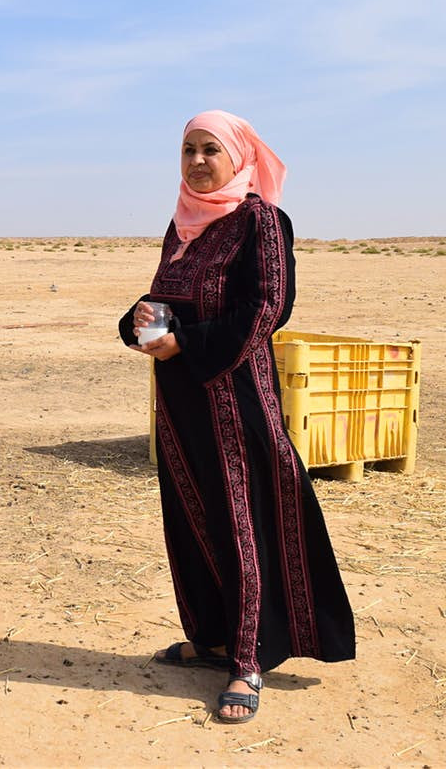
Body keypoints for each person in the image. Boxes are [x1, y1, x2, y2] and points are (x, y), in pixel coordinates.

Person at [118, 110, 355, 724]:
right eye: (188, 150)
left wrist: (187, 346)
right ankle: (214, 639)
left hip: (234, 402)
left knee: (242, 521)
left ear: (238, 158)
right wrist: (139, 323)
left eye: (210, 151)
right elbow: (165, 297)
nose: (197, 162)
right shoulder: (183, 225)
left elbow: (266, 309)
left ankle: (249, 661)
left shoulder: (262, 221)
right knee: (191, 520)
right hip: (180, 404)